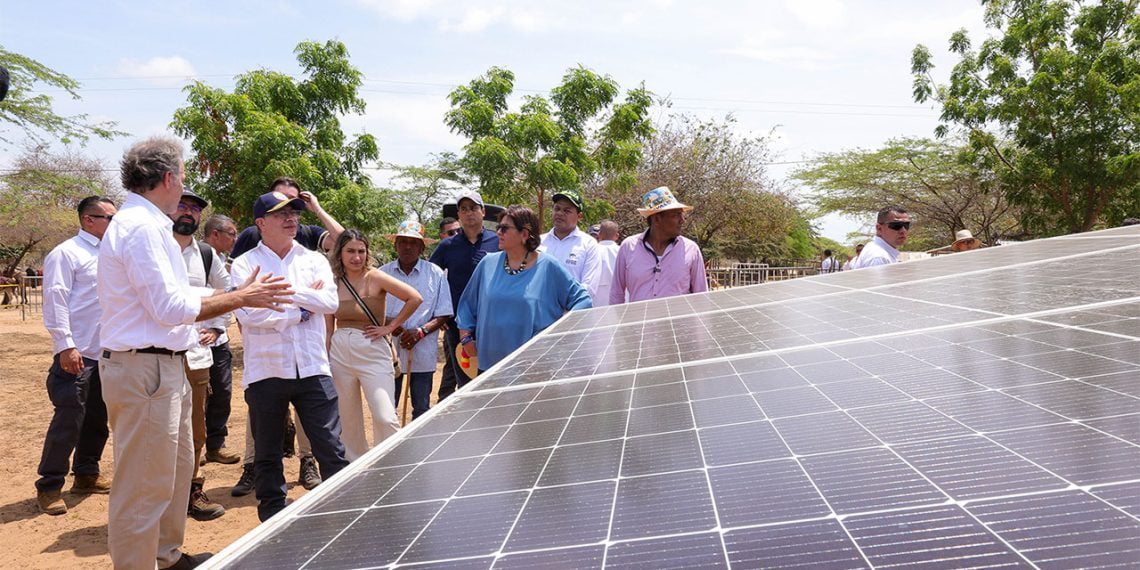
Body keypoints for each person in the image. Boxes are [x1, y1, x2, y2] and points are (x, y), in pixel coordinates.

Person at [98, 136, 292, 569]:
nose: (183, 186)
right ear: (168, 178)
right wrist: (241, 298)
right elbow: (169, 308)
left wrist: (237, 292)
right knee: (144, 486)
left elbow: (174, 294)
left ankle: (166, 557)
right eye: (183, 177)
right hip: (145, 368)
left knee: (174, 471)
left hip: (164, 367)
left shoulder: (145, 224)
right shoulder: (143, 227)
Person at [231, 191, 348, 522]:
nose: (292, 218)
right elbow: (250, 316)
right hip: (266, 371)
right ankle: (272, 517)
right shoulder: (244, 264)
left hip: (313, 367)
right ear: (260, 223)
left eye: (295, 213)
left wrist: (281, 293)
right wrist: (300, 311)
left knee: (330, 447)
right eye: (282, 214)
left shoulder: (313, 259)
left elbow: (329, 304)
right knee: (267, 453)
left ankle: (344, 510)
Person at [35, 196, 116, 516]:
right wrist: (65, 345)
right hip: (77, 351)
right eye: (108, 217)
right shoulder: (66, 253)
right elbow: (55, 301)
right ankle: (49, 485)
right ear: (88, 220)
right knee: (69, 418)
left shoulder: (110, 254)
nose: (114, 223)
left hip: (107, 352)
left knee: (98, 418)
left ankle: (86, 473)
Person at [457, 205, 592, 372]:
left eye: (505, 228)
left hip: (533, 367)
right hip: (489, 366)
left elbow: (583, 300)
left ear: (524, 234)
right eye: (499, 227)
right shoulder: (487, 264)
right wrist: (465, 337)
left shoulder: (548, 266)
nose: (498, 232)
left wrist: (557, 334)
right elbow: (467, 305)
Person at [326, 229, 421, 461]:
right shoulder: (333, 281)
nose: (356, 257)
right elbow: (328, 326)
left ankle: (389, 463)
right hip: (340, 350)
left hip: (373, 349)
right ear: (340, 253)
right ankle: (354, 465)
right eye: (350, 251)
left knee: (385, 416)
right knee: (348, 419)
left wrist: (390, 327)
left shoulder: (375, 276)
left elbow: (414, 297)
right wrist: (325, 355)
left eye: (361, 251)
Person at [170, 189, 230, 521]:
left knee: (195, 430)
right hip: (151, 355)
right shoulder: (152, 246)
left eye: (195, 208)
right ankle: (161, 498)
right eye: (183, 205)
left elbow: (229, 293)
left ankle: (192, 490)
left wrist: (218, 328)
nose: (189, 212)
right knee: (158, 432)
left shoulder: (206, 254)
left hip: (194, 357)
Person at [429, 190, 498, 397]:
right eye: (464, 209)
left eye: (474, 208)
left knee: (493, 378)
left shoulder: (497, 242)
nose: (469, 213)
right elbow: (431, 279)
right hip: (458, 327)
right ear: (459, 215)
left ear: (483, 212)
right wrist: (438, 313)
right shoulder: (447, 246)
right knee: (465, 383)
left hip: (493, 324)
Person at [381, 221, 453, 421]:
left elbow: (444, 313)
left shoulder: (435, 274)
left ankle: (416, 449)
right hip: (390, 349)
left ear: (422, 247)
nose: (407, 247)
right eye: (402, 242)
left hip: (422, 349)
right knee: (388, 408)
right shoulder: (382, 273)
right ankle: (390, 448)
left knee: (421, 407)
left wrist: (420, 331)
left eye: (413, 243)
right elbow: (373, 310)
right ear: (395, 245)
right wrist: (393, 326)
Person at [610, 187, 708, 304]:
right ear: (656, 219)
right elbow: (616, 293)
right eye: (676, 215)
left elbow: (701, 295)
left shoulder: (691, 250)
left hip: (679, 322)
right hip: (639, 321)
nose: (682, 220)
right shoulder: (628, 247)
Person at [200, 215, 241, 465]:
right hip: (191, 339)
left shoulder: (225, 261)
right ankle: (194, 448)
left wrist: (217, 328)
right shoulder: (193, 255)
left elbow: (230, 297)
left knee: (222, 393)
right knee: (193, 398)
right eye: (231, 234)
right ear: (215, 234)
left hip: (217, 340)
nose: (235, 239)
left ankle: (216, 445)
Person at [230, 177, 343, 259]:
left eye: (291, 199)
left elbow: (345, 242)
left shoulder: (309, 234)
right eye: (280, 197)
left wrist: (317, 209)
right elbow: (230, 279)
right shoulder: (251, 235)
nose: (286, 203)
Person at [539, 189, 603, 303]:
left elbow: (589, 287)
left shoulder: (588, 244)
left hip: (571, 314)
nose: (559, 213)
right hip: (539, 314)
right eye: (557, 209)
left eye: (567, 211)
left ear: (579, 216)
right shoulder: (538, 242)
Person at [593, 220, 621, 307]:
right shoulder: (622, 251)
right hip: (619, 299)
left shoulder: (592, 251)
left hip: (597, 300)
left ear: (599, 234)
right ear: (617, 236)